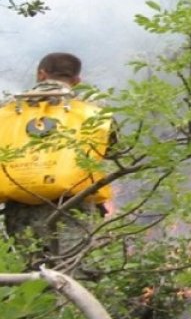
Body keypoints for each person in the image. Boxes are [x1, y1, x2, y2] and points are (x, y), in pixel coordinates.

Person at [0, 52, 112, 277]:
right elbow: (110, 148)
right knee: (72, 273)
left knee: (27, 274)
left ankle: (33, 312)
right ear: (77, 80)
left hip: (20, 204)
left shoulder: (7, 109)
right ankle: (72, 309)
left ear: (41, 74)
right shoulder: (94, 109)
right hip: (72, 205)